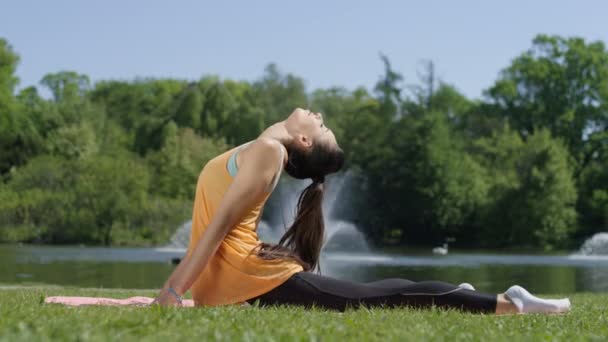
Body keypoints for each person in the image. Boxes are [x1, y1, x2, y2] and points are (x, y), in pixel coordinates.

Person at [152, 108, 571, 314]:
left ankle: (507, 302)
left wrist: (170, 294)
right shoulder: (266, 145)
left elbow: (217, 230)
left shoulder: (268, 151)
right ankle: (462, 294)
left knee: (383, 295)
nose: (319, 116)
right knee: (377, 292)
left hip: (251, 280)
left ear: (303, 139)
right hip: (242, 281)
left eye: (322, 127)